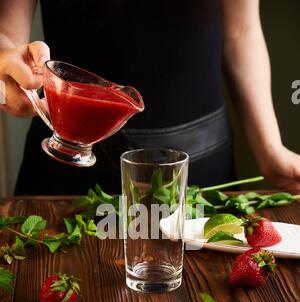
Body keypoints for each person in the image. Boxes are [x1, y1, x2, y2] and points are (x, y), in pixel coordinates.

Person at [0, 0, 299, 195]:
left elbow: (242, 31)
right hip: (64, 174)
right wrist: (7, 65)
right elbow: (6, 32)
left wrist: (269, 149)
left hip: (202, 179)